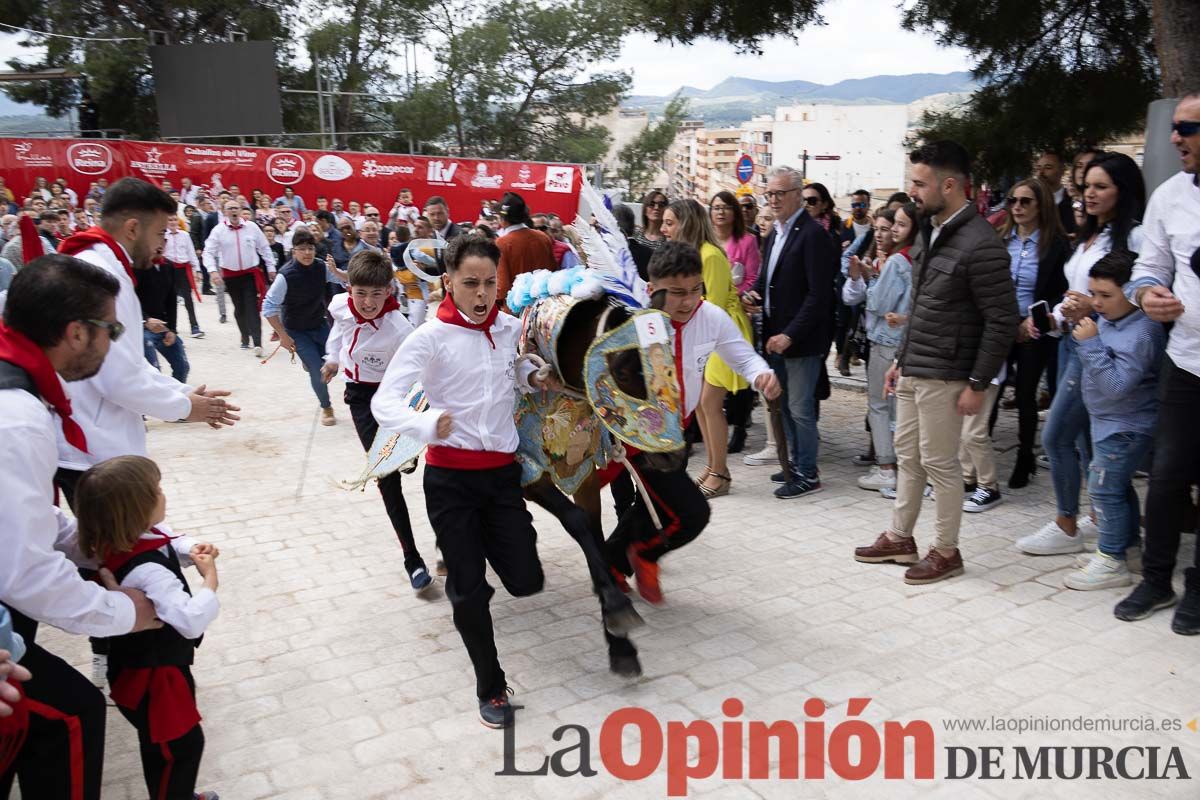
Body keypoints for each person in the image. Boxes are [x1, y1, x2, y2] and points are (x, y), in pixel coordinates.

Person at [372, 234, 557, 728]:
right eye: (470, 283)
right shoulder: (428, 337)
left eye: (489, 283)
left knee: (526, 579)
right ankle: (491, 688)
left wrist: (531, 376)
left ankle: (477, 560)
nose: (481, 294)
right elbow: (384, 403)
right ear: (448, 282)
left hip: (501, 478)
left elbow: (506, 371)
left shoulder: (511, 327)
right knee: (470, 592)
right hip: (450, 479)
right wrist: (426, 422)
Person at [0, 255, 161, 800]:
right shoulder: (17, 420)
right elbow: (24, 573)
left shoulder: (18, 391)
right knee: (70, 715)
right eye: (110, 330)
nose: (113, 342)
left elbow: (24, 516)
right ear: (75, 333)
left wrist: (90, 546)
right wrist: (124, 613)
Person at [853, 140, 1019, 584]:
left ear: (949, 184)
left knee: (940, 464)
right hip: (914, 366)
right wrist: (901, 359)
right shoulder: (933, 231)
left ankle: (946, 550)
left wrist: (978, 383)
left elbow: (1002, 321)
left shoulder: (981, 243)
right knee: (908, 454)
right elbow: (924, 304)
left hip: (948, 374)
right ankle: (900, 537)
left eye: (920, 183)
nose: (913, 192)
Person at [607, 240, 781, 601]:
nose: (687, 301)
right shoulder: (634, 321)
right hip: (641, 434)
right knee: (692, 513)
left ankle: (610, 561)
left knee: (650, 506)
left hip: (679, 430)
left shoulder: (711, 317)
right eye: (676, 293)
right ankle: (643, 553)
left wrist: (762, 375)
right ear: (652, 288)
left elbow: (743, 357)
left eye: (695, 290)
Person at [56, 179, 237, 490]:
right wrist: (187, 408)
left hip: (95, 440)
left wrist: (183, 393)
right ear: (132, 229)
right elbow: (118, 379)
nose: (161, 244)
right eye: (159, 233)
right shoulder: (103, 278)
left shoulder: (100, 266)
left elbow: (130, 364)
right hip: (97, 450)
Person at [1016, 152, 1145, 557]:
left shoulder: (1136, 237)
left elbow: (1137, 299)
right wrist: (1053, 318)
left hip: (1107, 350)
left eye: (1101, 186)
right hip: (1073, 342)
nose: (1090, 193)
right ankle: (1114, 530)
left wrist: (1091, 307)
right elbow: (1076, 295)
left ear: (1122, 191)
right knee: (1093, 447)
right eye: (1086, 185)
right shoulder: (1087, 235)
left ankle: (1068, 524)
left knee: (1057, 437)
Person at [73, 456, 221, 800]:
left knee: (165, 747)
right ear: (138, 507)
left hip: (135, 668)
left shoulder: (112, 539)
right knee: (179, 751)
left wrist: (189, 548)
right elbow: (189, 621)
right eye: (156, 490)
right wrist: (210, 579)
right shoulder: (151, 572)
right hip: (157, 678)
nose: (163, 494)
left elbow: (164, 539)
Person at [1113, 93, 1200, 633]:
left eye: (1186, 127)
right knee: (1166, 477)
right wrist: (1148, 296)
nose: (1174, 138)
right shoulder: (1168, 195)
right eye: (1173, 127)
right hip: (1186, 360)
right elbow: (1149, 268)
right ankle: (1156, 578)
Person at [321, 251, 433, 594]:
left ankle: (405, 452)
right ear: (349, 288)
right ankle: (412, 559)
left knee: (398, 459)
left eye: (376, 293)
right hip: (359, 398)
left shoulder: (400, 329)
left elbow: (421, 372)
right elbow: (339, 334)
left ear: (389, 291)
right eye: (360, 293)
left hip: (396, 398)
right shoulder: (340, 305)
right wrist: (332, 360)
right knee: (385, 475)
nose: (367, 302)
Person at [1060, 251, 1164, 591]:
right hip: (1106, 422)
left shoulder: (1143, 332)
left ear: (1133, 292)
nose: (1097, 303)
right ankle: (1129, 550)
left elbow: (1117, 386)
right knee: (1117, 488)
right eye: (1094, 294)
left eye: (1106, 295)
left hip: (1127, 426)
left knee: (1104, 490)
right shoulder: (1111, 320)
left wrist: (1089, 344)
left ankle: (1111, 560)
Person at [742, 167, 838, 499]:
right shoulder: (776, 233)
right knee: (782, 406)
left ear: (798, 193)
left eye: (779, 194)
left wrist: (791, 335)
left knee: (800, 408)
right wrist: (753, 294)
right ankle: (794, 463)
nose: (773, 200)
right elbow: (767, 278)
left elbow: (819, 295)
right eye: (769, 194)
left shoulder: (812, 235)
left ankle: (808, 473)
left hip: (799, 341)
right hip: (774, 337)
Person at [661, 199, 755, 498]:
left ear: (686, 223)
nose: (664, 229)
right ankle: (714, 467)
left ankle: (721, 473)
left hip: (719, 335)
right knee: (702, 404)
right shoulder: (693, 256)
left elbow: (710, 306)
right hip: (704, 337)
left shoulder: (709, 255)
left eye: (670, 222)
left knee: (710, 404)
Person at [998, 179, 1070, 490]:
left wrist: (1033, 323)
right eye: (1013, 200)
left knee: (1025, 394)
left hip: (1035, 329)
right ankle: (976, 465)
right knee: (991, 390)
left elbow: (1059, 292)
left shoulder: (1056, 245)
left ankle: (1025, 456)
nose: (1017, 206)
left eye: (1025, 201)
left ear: (1040, 205)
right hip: (1001, 326)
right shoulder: (1001, 240)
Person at [844, 205, 915, 493]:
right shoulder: (916, 258)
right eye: (889, 225)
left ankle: (887, 468)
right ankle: (901, 468)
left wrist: (870, 276)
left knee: (880, 406)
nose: (893, 231)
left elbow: (877, 304)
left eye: (899, 225)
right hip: (902, 341)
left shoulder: (898, 262)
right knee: (900, 410)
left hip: (886, 341)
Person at [261, 229, 341, 426]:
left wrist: (338, 271)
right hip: (296, 329)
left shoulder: (322, 267)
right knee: (317, 368)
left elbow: (346, 280)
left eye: (310, 248)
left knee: (334, 363)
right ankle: (326, 406)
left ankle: (310, 360)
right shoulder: (285, 276)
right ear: (293, 251)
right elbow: (268, 307)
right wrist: (283, 336)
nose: (307, 253)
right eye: (302, 249)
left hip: (319, 323)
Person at [709, 190, 761, 454]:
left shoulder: (747, 242)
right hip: (708, 315)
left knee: (738, 375)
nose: (720, 212)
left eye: (726, 207)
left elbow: (752, 278)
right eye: (716, 207)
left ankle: (739, 427)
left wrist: (739, 296)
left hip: (735, 316)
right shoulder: (706, 243)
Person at [203, 199, 278, 356]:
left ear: (241, 210)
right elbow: (208, 252)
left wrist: (271, 267)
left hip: (250, 274)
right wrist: (213, 271)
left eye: (236, 208)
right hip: (231, 276)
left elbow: (264, 248)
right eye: (230, 208)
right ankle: (245, 336)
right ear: (225, 212)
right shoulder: (218, 230)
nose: (233, 211)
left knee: (252, 307)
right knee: (239, 309)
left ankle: (257, 343)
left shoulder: (251, 227)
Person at [135, 253, 190, 384]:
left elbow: (171, 300)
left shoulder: (168, 265)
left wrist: (172, 329)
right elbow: (129, 299)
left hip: (163, 326)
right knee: (153, 370)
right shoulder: (135, 266)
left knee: (182, 367)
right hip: (141, 327)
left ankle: (174, 398)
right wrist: (145, 320)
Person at [495, 192, 555, 306]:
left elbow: (502, 287)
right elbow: (553, 270)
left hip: (515, 310)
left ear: (502, 219)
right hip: (543, 308)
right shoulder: (544, 238)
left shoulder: (502, 243)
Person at [163, 214, 204, 338]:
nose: (173, 222)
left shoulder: (185, 235)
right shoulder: (163, 235)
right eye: (170, 220)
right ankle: (171, 327)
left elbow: (191, 252)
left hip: (182, 269)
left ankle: (194, 326)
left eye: (175, 219)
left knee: (188, 299)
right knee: (169, 299)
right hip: (168, 268)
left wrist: (197, 269)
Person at [1035, 151, 1076, 234]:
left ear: (1062, 170)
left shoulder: (1073, 201)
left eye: (1048, 167)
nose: (1041, 172)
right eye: (1038, 168)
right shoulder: (1030, 201)